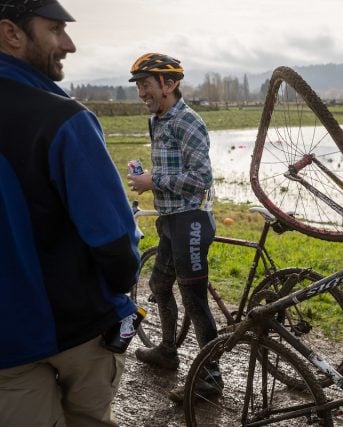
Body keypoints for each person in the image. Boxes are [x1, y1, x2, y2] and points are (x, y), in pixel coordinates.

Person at [0, 1, 141, 426]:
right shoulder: (63, 119)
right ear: (11, 33)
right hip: (78, 329)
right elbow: (115, 242)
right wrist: (120, 289)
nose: (69, 44)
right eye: (56, 29)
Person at [127, 52, 222, 402]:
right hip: (170, 220)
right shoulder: (158, 120)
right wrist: (147, 178)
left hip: (191, 220)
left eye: (146, 85)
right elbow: (172, 170)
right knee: (158, 284)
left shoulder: (188, 121)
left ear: (168, 84)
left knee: (195, 301)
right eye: (138, 86)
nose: (141, 93)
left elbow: (201, 178)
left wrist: (153, 180)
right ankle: (168, 351)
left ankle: (210, 379)